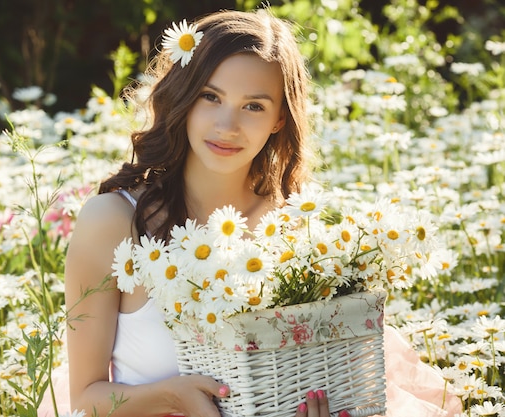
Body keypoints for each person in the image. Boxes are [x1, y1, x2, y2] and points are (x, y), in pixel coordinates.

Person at [40, 8, 461, 417]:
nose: (227, 125)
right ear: (183, 98)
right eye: (210, 97)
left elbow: (324, 374)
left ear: (280, 118)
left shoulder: (300, 231)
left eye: (254, 106)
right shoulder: (113, 221)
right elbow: (83, 400)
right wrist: (171, 398)